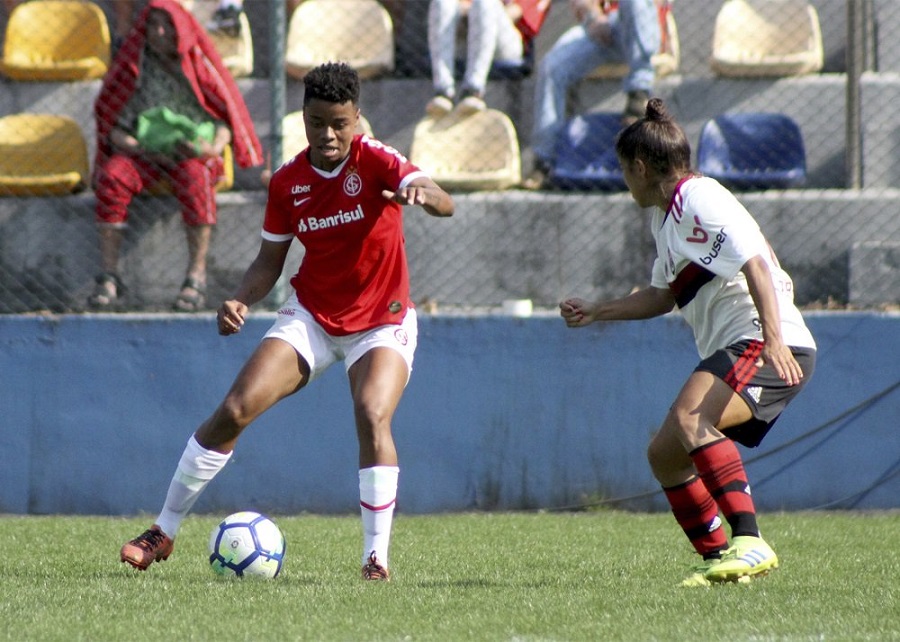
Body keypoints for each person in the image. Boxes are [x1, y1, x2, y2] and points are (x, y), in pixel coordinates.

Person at [119, 62, 455, 581]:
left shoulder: (377, 159)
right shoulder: (288, 182)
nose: (328, 134)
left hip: (381, 320)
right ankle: (163, 530)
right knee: (234, 409)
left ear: (356, 118)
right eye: (317, 122)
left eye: (339, 123)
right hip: (314, 316)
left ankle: (375, 559)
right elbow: (268, 262)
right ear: (303, 118)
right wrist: (240, 299)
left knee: (372, 413)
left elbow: (441, 199)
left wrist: (425, 196)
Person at [559, 98, 817, 587]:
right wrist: (598, 311)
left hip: (763, 341)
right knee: (665, 454)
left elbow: (756, 263)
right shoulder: (666, 219)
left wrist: (773, 339)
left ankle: (749, 540)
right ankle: (718, 558)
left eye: (624, 171)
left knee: (689, 419)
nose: (624, 182)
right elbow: (662, 296)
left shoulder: (701, 198)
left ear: (640, 168)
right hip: (748, 343)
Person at [88, 0, 262, 312]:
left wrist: (210, 148)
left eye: (166, 25)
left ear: (180, 30)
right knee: (113, 176)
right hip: (144, 155)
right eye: (152, 25)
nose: (158, 32)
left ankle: (195, 277)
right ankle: (109, 277)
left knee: (197, 177)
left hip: (191, 155)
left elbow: (226, 120)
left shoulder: (198, 66)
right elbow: (114, 129)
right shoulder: (135, 67)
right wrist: (143, 148)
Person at [524, 0, 661, 189]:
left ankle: (639, 92)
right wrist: (593, 17)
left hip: (641, 29)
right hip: (603, 27)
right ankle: (544, 161)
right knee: (551, 68)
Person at [426, 0, 551, 117]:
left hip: (506, 43)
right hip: (466, 37)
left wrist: (475, 10)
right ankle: (443, 91)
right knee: (442, 2)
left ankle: (473, 90)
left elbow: (514, 13)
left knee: (485, 2)